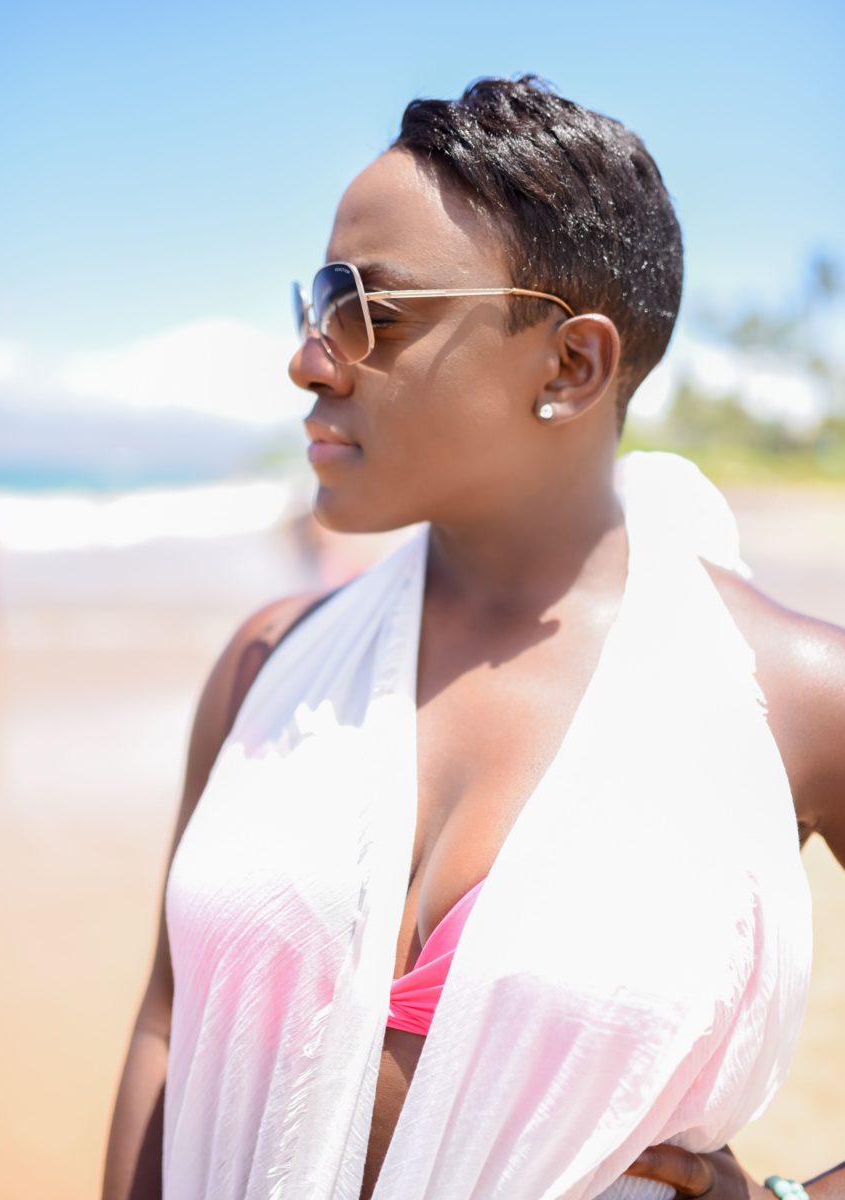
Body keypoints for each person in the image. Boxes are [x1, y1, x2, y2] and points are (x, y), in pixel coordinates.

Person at [101, 76, 845, 1200]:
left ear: (569, 367)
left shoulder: (787, 697)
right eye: (315, 302)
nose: (310, 357)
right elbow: (168, 1025)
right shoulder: (267, 667)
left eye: (373, 312)